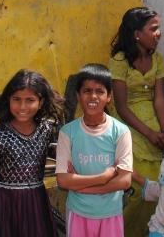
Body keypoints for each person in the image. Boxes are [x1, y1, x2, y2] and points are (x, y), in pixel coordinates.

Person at [0, 69, 65, 237]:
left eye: (30, 100)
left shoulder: (47, 130)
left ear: (40, 102)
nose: (22, 106)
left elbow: (63, 158)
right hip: (6, 205)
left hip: (36, 203)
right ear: (8, 100)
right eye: (16, 99)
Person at [109, 6, 164, 237]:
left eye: (158, 28)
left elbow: (160, 98)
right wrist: (150, 134)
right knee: (137, 183)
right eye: (153, 28)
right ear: (136, 34)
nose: (158, 33)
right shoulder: (120, 61)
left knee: (160, 181)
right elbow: (121, 107)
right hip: (129, 125)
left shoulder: (159, 59)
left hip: (153, 121)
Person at [56, 63, 133, 236]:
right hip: (77, 213)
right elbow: (63, 181)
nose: (93, 96)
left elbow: (125, 181)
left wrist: (81, 186)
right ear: (78, 95)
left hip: (110, 214)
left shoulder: (120, 132)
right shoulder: (67, 133)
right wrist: (103, 178)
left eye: (100, 91)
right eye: (87, 91)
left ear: (109, 97)